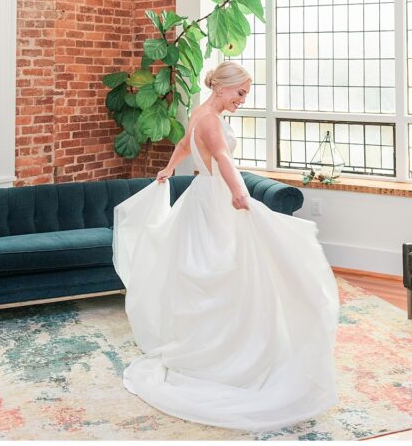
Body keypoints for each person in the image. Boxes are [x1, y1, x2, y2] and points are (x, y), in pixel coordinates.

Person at [112, 61, 339, 431]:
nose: (243, 100)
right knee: (221, 268)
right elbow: (221, 158)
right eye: (241, 93)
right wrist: (240, 194)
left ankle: (215, 338)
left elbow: (185, 145)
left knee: (213, 267)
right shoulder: (211, 120)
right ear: (222, 88)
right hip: (214, 198)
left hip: (203, 194)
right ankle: (221, 349)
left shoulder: (200, 113)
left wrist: (170, 169)